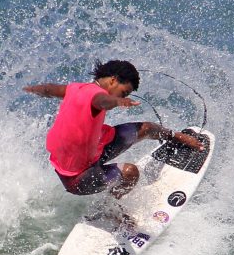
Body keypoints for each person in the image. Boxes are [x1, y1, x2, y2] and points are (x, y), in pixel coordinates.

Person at [24, 60, 204, 199]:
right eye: (124, 92)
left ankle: (175, 136)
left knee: (147, 128)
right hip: (78, 178)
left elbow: (49, 89)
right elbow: (101, 101)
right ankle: (112, 207)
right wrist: (116, 101)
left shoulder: (75, 88)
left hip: (95, 148)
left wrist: (32, 89)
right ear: (113, 80)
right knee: (129, 173)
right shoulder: (98, 97)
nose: (124, 96)